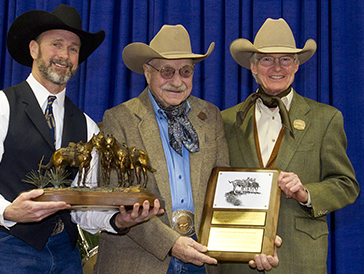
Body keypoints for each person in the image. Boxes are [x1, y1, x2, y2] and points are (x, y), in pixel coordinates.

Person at [0, 4, 161, 274]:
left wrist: (118, 220)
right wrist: (7, 211)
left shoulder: (86, 126)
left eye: (73, 49)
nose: (64, 55)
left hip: (66, 254)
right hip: (8, 248)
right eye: (56, 44)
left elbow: (83, 205)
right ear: (34, 49)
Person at [96, 24, 280, 274]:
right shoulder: (119, 119)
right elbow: (120, 197)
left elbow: (224, 187)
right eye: (167, 71)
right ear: (147, 72)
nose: (177, 81)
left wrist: (255, 235)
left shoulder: (210, 115)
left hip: (199, 257)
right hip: (140, 260)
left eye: (185, 71)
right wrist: (170, 243)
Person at [221, 18, 360, 273]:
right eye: (266, 59)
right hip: (238, 260)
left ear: (296, 65)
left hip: (300, 260)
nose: (277, 67)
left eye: (285, 59)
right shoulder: (226, 120)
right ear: (253, 66)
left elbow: (346, 185)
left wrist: (306, 193)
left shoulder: (325, 118)